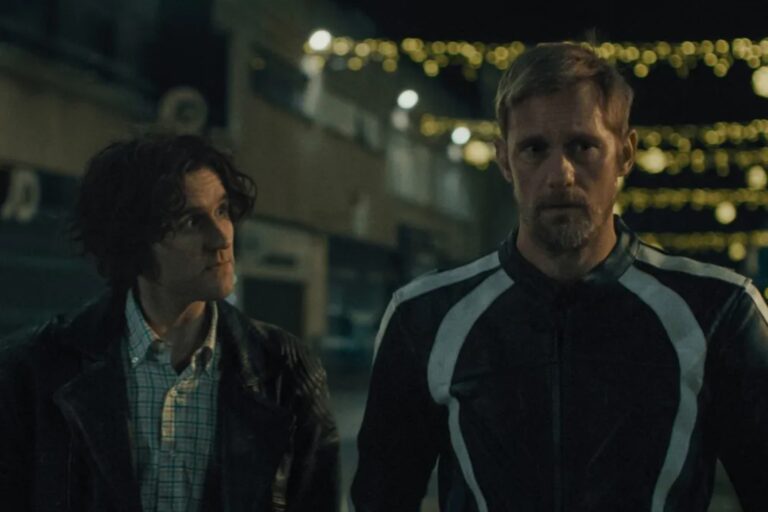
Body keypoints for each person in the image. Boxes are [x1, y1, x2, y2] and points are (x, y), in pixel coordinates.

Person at [351, 42, 768, 511]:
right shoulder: (425, 317)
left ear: (625, 153)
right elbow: (380, 500)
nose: (561, 174)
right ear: (504, 160)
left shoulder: (718, 312)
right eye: (534, 149)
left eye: (582, 146)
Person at [0, 134, 339, 511]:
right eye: (192, 221)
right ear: (133, 241)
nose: (221, 238)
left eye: (222, 210)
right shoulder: (33, 370)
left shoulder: (285, 370)